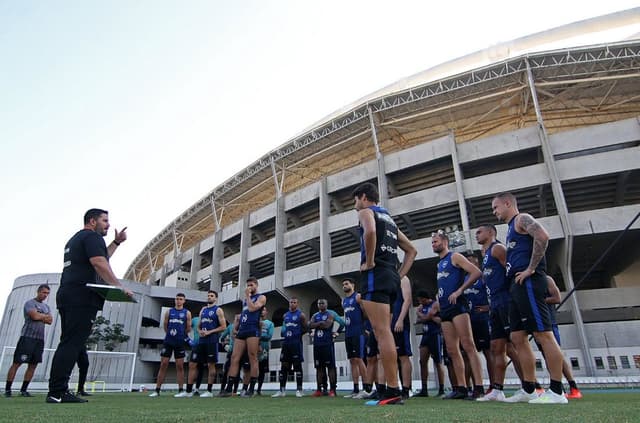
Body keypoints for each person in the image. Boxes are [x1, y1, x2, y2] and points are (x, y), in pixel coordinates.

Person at [47, 208, 132, 404]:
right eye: (105, 221)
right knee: (72, 343)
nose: (108, 225)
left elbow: (102, 256)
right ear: (92, 221)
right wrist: (118, 286)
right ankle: (57, 392)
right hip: (81, 297)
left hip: (68, 294)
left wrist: (117, 242)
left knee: (69, 342)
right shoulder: (92, 237)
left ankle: (57, 390)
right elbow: (99, 262)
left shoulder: (77, 239)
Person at [491, 192, 568, 404]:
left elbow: (542, 236)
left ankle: (557, 391)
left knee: (543, 333)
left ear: (508, 203)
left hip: (530, 282)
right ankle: (529, 388)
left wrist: (531, 269)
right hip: (515, 286)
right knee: (517, 338)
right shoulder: (510, 230)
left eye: (496, 207)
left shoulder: (522, 218)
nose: (494, 211)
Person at [352, 182, 417, 405]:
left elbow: (369, 231)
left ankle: (392, 389)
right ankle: (389, 387)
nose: (355, 206)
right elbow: (412, 250)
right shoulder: (389, 219)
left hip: (375, 275)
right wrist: (399, 276)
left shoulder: (366, 212)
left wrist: (369, 262)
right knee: (384, 333)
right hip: (389, 277)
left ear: (363, 197)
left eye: (355, 200)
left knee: (382, 333)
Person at [431, 230, 485, 400]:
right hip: (445, 309)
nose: (434, 244)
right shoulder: (439, 264)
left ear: (445, 241)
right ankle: (461, 387)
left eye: (436, 241)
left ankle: (478, 387)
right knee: (452, 349)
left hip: (458, 306)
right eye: (432, 242)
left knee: (468, 344)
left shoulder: (455, 257)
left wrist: (460, 290)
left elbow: (476, 272)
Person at [474, 224, 522, 402]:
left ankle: (530, 386)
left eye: (480, 232)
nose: (476, 235)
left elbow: (511, 272)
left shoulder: (498, 249)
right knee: (496, 348)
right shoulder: (485, 256)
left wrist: (514, 299)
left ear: (491, 232)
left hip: (506, 303)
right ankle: (497, 389)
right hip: (494, 306)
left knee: (514, 347)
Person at [534, 276, 583, 400]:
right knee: (547, 356)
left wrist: (539, 301)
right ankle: (558, 387)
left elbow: (557, 298)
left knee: (556, 354)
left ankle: (573, 387)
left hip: (549, 323)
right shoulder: (529, 282)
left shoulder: (546, 279)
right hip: (537, 324)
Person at [220, 277, 267, 397]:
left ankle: (251, 388)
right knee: (234, 358)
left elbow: (252, 309)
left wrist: (248, 296)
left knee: (253, 357)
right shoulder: (244, 301)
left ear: (256, 285)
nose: (249, 287)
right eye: (248, 285)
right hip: (242, 330)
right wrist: (236, 325)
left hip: (253, 329)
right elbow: (244, 313)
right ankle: (229, 388)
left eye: (251, 285)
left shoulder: (261, 297)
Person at [5, 284, 53, 397]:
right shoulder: (30, 303)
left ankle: (24, 390)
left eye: (47, 293)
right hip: (27, 338)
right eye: (44, 292)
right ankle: (8, 389)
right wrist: (42, 316)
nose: (45, 295)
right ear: (38, 292)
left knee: (33, 365)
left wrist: (40, 315)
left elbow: (50, 320)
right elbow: (34, 317)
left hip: (39, 339)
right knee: (17, 363)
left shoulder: (47, 307)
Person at [462, 253, 494, 394]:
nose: (467, 264)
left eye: (470, 262)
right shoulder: (464, 279)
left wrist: (489, 307)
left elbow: (493, 292)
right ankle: (472, 386)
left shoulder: (483, 278)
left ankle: (494, 385)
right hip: (468, 320)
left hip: (482, 319)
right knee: (468, 353)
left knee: (488, 352)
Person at [149, 293, 192, 397]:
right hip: (168, 341)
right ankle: (157, 390)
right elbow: (165, 325)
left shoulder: (187, 313)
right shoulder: (169, 312)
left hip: (180, 342)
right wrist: (170, 334)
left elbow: (188, 328)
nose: (178, 301)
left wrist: (181, 335)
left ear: (184, 301)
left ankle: (181, 390)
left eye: (181, 299)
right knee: (163, 364)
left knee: (180, 366)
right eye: (177, 299)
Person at [186, 290, 226, 398]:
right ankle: (188, 390)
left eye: (212, 296)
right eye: (208, 296)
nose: (209, 297)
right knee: (193, 364)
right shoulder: (203, 310)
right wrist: (199, 331)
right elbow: (198, 325)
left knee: (210, 365)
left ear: (216, 298)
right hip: (201, 341)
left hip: (212, 341)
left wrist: (210, 332)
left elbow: (223, 327)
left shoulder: (218, 310)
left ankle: (209, 390)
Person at [273, 297, 307, 398]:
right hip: (286, 344)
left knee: (297, 366)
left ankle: (299, 390)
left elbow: (306, 327)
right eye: (290, 302)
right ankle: (282, 390)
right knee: (284, 366)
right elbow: (285, 328)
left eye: (294, 302)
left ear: (297, 303)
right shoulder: (285, 315)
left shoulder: (301, 315)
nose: (292, 304)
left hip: (296, 344)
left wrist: (298, 334)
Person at [414, 290, 445, 397]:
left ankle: (441, 388)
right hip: (425, 335)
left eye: (420, 300)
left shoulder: (434, 304)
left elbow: (426, 317)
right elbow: (420, 320)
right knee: (422, 361)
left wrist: (420, 313)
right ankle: (424, 389)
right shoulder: (423, 307)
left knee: (437, 361)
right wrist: (424, 316)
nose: (419, 302)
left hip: (435, 334)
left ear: (424, 298)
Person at [341, 278, 367, 399]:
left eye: (346, 284)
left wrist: (366, 328)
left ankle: (366, 388)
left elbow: (366, 313)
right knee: (352, 361)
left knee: (359, 359)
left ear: (353, 285)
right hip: (348, 333)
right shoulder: (344, 301)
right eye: (343, 285)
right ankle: (355, 389)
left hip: (358, 332)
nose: (344, 286)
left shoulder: (358, 297)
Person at [391, 276, 413, 400]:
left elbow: (407, 300)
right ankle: (394, 387)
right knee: (392, 357)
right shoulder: (389, 280)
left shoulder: (403, 278)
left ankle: (406, 388)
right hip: (390, 323)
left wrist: (400, 319)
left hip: (400, 323)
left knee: (403, 355)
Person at [310, 299, 337, 397]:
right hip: (317, 345)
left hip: (327, 344)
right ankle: (319, 389)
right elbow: (310, 325)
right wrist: (320, 323)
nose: (321, 305)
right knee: (319, 368)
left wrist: (317, 324)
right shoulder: (315, 315)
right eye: (319, 303)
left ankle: (333, 389)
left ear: (326, 304)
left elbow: (327, 325)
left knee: (330, 367)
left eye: (322, 303)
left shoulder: (330, 314)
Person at [219, 314, 241, 395]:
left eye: (239, 318)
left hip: (240, 351)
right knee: (226, 370)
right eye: (236, 318)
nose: (237, 320)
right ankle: (222, 389)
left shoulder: (244, 326)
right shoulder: (230, 327)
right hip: (231, 351)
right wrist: (225, 345)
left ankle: (234, 391)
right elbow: (222, 337)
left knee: (237, 371)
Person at [256, 307, 274, 395]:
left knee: (262, 370)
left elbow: (269, 336)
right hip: (253, 347)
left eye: (263, 310)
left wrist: (258, 337)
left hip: (264, 349)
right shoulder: (254, 322)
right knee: (250, 368)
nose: (262, 312)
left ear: (266, 312)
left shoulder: (270, 324)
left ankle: (259, 389)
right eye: (260, 310)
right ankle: (248, 387)